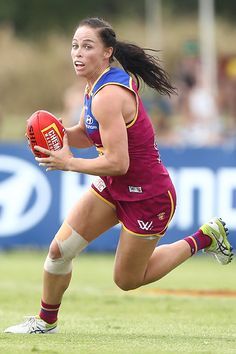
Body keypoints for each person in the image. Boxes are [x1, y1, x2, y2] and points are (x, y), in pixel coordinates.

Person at [4, 17, 233, 334]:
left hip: (148, 196)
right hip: (113, 187)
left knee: (126, 280)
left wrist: (68, 162)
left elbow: (118, 162)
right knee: (59, 251)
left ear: (107, 52)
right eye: (74, 46)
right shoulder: (94, 87)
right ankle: (45, 321)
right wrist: (62, 136)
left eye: (87, 46)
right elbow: (89, 133)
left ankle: (204, 238)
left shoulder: (108, 95)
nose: (78, 53)